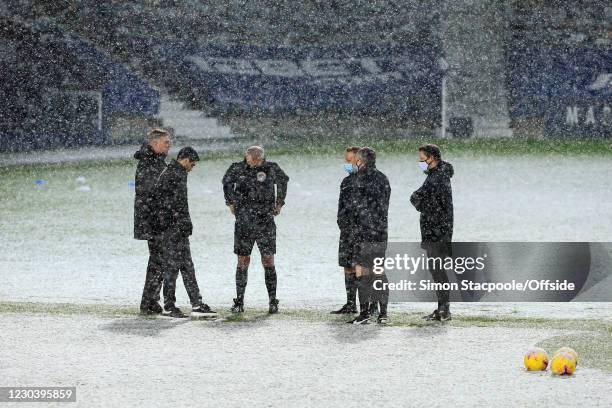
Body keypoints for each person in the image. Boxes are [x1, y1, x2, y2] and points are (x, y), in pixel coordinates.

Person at [222, 146, 289, 314]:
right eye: (252, 161)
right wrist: (230, 202)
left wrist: (280, 202)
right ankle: (239, 301)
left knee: (268, 261)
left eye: (257, 161)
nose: (254, 164)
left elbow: (283, 180)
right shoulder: (236, 168)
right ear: (246, 157)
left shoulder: (271, 168)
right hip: (244, 222)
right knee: (243, 261)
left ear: (262, 158)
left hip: (265, 221)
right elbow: (226, 182)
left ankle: (273, 301)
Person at [154, 147, 217, 318]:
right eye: (193, 164)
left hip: (177, 228)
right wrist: (178, 223)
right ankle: (169, 306)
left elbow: (175, 204)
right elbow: (171, 204)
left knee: (186, 267)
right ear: (186, 159)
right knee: (172, 268)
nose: (192, 168)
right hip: (172, 229)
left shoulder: (175, 173)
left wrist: (184, 223)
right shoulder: (173, 174)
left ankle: (196, 303)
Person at [410, 144, 454, 321]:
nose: (421, 163)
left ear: (432, 158)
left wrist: (418, 202)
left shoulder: (438, 178)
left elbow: (428, 202)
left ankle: (444, 309)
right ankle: (442, 308)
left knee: (437, 270)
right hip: (437, 230)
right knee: (437, 270)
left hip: (437, 231)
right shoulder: (436, 176)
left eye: (422, 159)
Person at [348, 147, 391, 325]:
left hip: (363, 233)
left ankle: (364, 313)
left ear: (362, 161)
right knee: (379, 272)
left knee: (362, 273)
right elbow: (383, 206)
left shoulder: (357, 180)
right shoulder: (383, 178)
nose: (354, 163)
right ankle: (383, 313)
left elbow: (354, 208)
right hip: (380, 232)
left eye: (356, 159)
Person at [134, 128, 170, 315]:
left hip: (154, 218)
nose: (169, 145)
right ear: (154, 144)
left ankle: (151, 301)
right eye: (166, 142)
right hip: (154, 220)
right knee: (158, 260)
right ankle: (149, 302)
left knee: (159, 260)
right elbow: (151, 192)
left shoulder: (153, 161)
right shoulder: (150, 163)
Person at [331, 146, 360, 314]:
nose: (346, 163)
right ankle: (350, 303)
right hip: (347, 231)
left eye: (349, 160)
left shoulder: (369, 180)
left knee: (364, 267)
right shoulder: (346, 181)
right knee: (347, 266)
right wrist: (342, 223)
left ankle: (370, 305)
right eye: (345, 160)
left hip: (363, 231)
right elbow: (341, 206)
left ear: (359, 160)